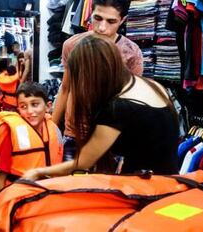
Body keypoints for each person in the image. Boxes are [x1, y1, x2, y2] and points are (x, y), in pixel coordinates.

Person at [22, 35, 179, 182]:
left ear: (90, 74)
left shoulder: (118, 108)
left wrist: (38, 172)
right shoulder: (152, 85)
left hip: (147, 188)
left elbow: (82, 162)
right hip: (168, 182)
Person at [52, 0, 144, 162]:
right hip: (75, 134)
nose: (102, 27)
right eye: (98, 18)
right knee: (71, 185)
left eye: (111, 21)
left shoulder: (131, 52)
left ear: (122, 20)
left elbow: (133, 101)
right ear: (90, 14)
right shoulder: (72, 45)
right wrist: (51, 129)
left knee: (106, 186)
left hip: (111, 136)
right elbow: (65, 88)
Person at [0, 82, 63, 192]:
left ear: (48, 106)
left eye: (35, 104)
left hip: (48, 192)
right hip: (19, 195)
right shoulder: (12, 132)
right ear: (18, 109)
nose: (30, 111)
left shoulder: (54, 129)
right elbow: (0, 177)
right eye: (23, 106)